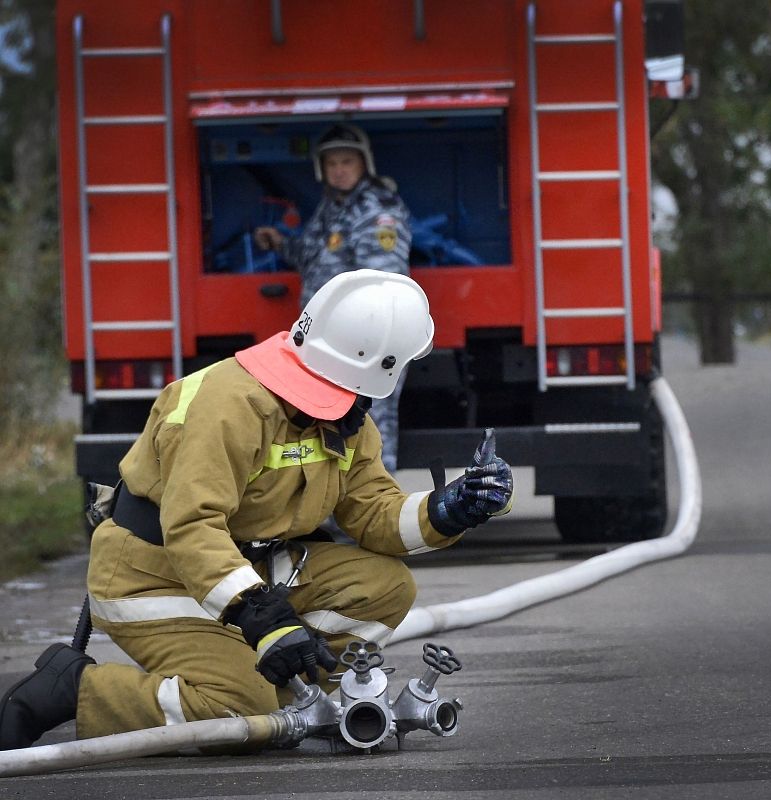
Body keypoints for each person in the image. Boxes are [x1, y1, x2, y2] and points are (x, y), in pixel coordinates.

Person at [0, 269, 513, 751]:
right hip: (152, 578)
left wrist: (450, 509)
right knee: (240, 708)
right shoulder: (224, 406)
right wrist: (260, 616)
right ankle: (78, 689)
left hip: (252, 570)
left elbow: (373, 512)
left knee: (386, 586)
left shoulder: (343, 415)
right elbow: (192, 525)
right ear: (382, 365)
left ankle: (299, 702)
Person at [254, 123, 413, 472]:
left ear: (363, 164)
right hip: (332, 343)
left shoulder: (375, 210)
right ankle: (336, 507)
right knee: (333, 424)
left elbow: (382, 285)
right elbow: (316, 257)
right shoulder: (333, 208)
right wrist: (281, 243)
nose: (339, 171)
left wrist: (361, 343)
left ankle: (377, 509)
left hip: (364, 343)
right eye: (333, 164)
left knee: (371, 424)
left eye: (347, 162)